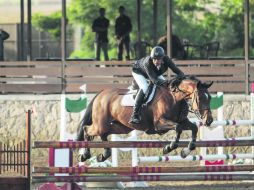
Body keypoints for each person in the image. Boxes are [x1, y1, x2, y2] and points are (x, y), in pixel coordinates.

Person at [129, 46, 184, 124]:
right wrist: (170, 81)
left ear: (163, 58)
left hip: (154, 73)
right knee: (144, 87)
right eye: (154, 59)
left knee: (166, 87)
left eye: (159, 59)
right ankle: (135, 114)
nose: (156, 61)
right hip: (139, 72)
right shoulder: (148, 63)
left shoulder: (167, 60)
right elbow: (155, 81)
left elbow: (178, 71)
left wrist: (180, 77)